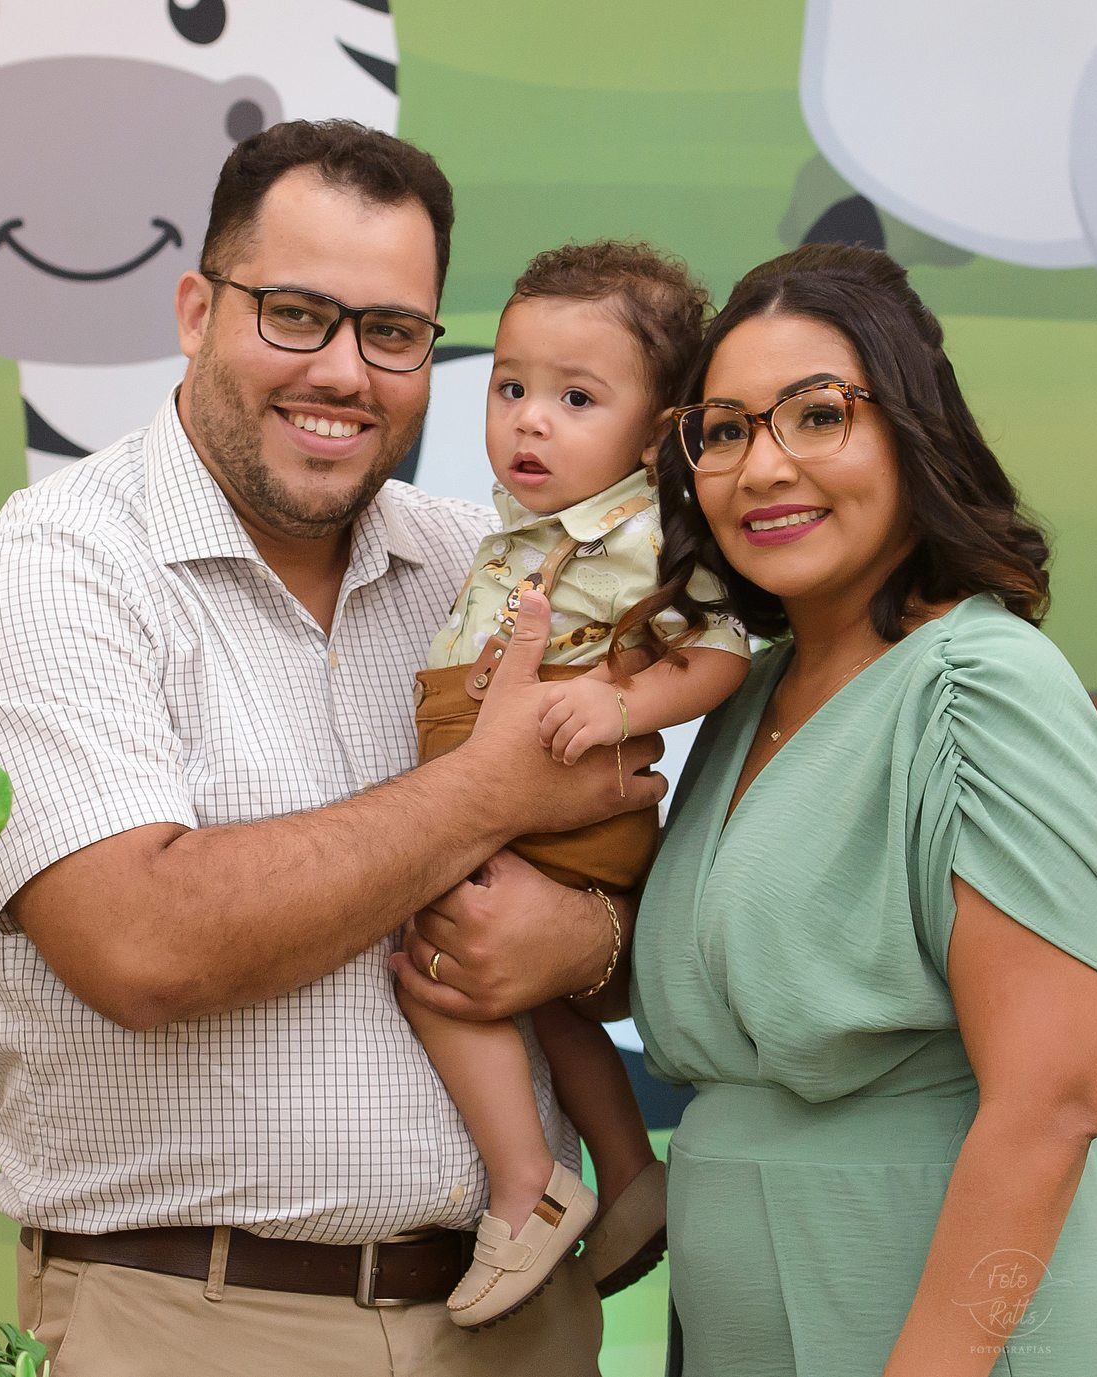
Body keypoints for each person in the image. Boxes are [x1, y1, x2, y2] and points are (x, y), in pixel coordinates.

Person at [0, 119, 663, 1377]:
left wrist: (579, 942)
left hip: (520, 1322)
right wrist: (486, 790)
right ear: (196, 311)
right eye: (296, 316)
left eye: (392, 333)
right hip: (193, 1320)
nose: (343, 372)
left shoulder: (482, 568)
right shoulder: (51, 573)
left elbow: (631, 877)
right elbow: (142, 945)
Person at [627, 243, 1097, 1375]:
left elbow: (1056, 1097)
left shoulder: (980, 689)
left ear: (914, 433)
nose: (763, 467)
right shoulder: (747, 698)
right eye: (725, 430)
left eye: (818, 415)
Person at [400, 242, 751, 1328]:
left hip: (560, 799)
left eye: (576, 398)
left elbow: (721, 651)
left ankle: (528, 1190)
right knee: (540, 1000)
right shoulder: (518, 531)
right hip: (517, 792)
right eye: (510, 388)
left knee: (435, 969)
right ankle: (627, 1170)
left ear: (652, 435)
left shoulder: (639, 534)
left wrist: (620, 704)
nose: (530, 421)